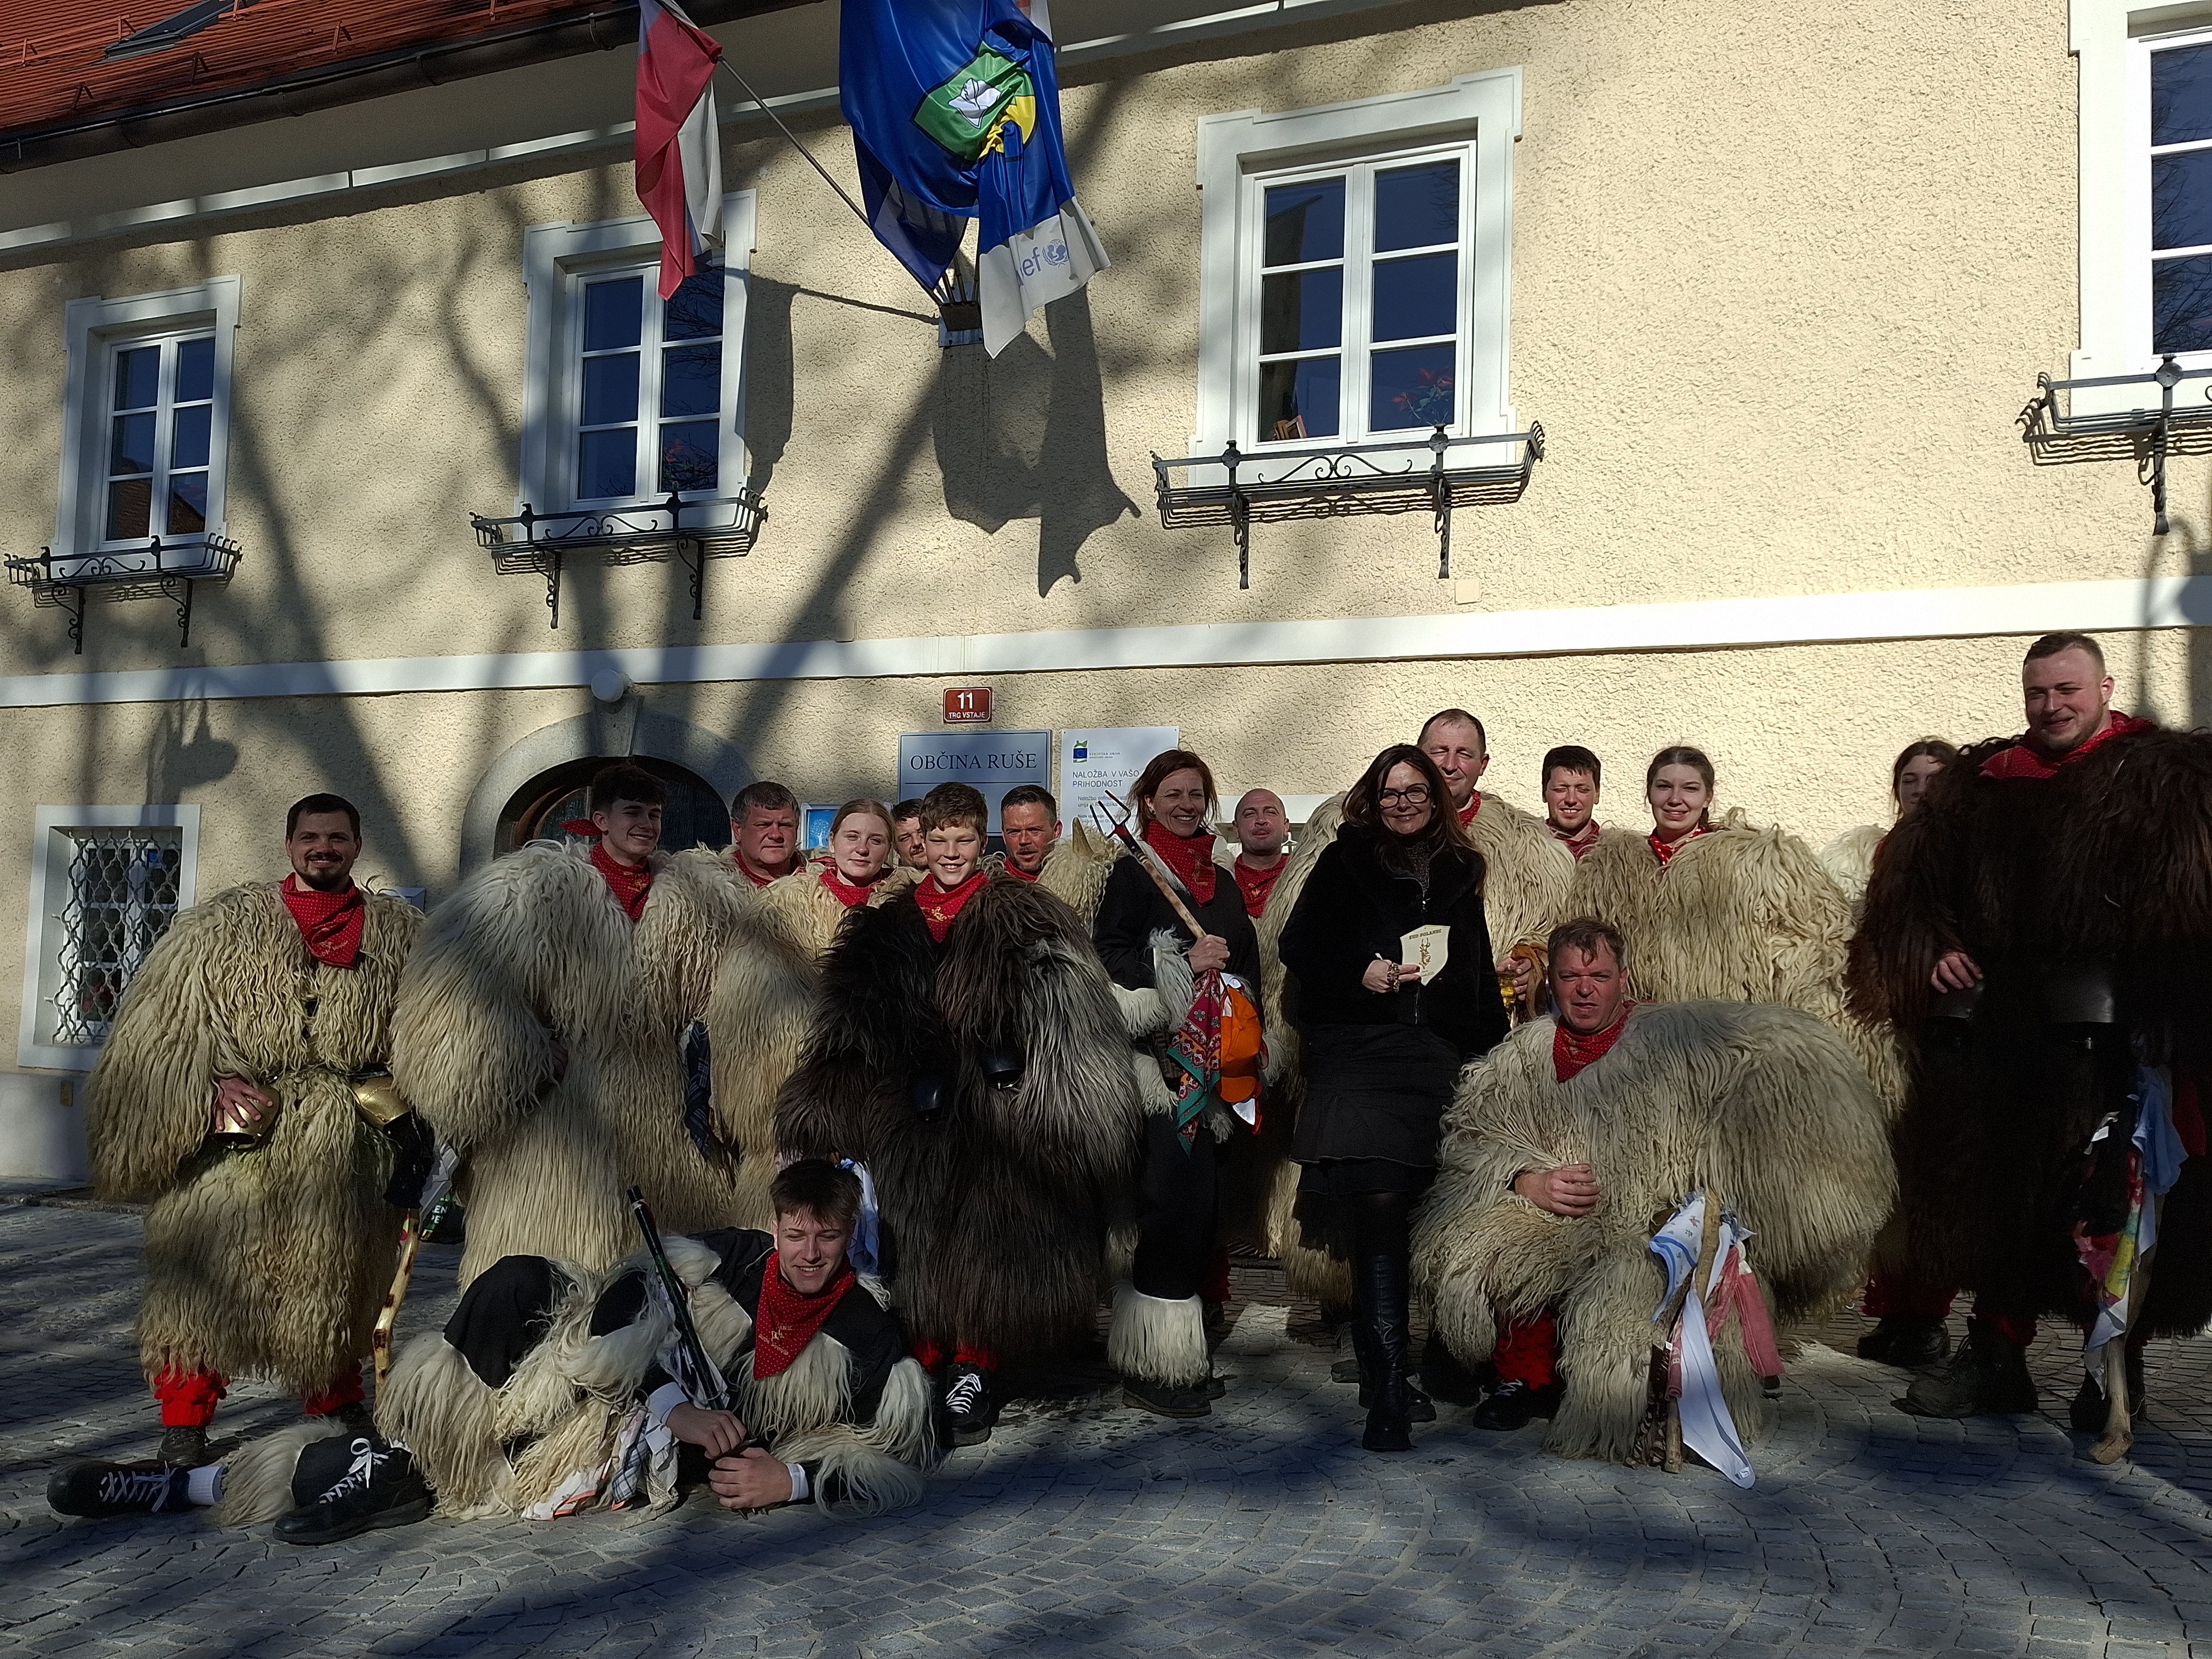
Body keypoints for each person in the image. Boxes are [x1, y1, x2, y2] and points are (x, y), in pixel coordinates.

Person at [52, 1162, 935, 1534]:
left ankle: (179, 1488)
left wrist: (794, 1480)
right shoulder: (733, 1255)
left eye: (826, 1236)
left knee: (389, 1474)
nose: (808, 1251)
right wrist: (677, 1400)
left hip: (635, 1451)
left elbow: (902, 1451)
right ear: (777, 1222)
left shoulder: (866, 1333)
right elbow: (624, 1297)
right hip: (626, 1386)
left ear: (848, 1233)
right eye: (796, 1231)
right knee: (515, 1280)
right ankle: (394, 1459)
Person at [1848, 633, 2212, 1426]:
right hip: (1997, 1050)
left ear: (2105, 687)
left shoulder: (2167, 779)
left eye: (2068, 691)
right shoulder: (1978, 787)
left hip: (2113, 1045)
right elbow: (1905, 893)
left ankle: (2113, 1366)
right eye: (2038, 693)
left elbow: (2195, 914)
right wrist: (1932, 947)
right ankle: (1995, 1356)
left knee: (2111, 1207)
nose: (2052, 707)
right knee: (1995, 1209)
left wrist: (2171, 1021)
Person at [1414, 920, 1895, 1464]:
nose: (1584, 989)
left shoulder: (1677, 1044)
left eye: (1598, 975)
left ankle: (1632, 1400)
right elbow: (1469, 1138)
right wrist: (1525, 1179)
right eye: (1570, 976)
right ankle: (1525, 1379)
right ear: (1552, 982)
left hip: (1649, 1223)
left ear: (1623, 977)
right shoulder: (1522, 1056)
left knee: (1625, 1291)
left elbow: (1766, 1056)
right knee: (1488, 1240)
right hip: (1557, 1215)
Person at [776, 783, 1144, 1445]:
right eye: (939, 841)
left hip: (1001, 1115)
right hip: (906, 1113)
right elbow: (846, 1027)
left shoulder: (1028, 914)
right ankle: (922, 1359)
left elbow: (1075, 1022)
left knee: (986, 1245)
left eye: (964, 841)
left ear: (984, 843)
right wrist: (823, 1109)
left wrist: (1060, 1108)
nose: (950, 853)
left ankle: (976, 1366)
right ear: (921, 846)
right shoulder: (887, 923)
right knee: (914, 1239)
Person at [78, 794, 428, 1468]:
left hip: (344, 1143)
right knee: (201, 1284)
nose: (322, 848)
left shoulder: (401, 935)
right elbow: (157, 1031)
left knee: (334, 1281)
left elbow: (434, 1028)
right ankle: (185, 1417)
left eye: (336, 837)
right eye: (309, 837)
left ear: (357, 845)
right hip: (235, 1142)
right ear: (288, 843)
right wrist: (204, 1087)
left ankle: (333, 1397)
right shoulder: (218, 929)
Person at [391, 763, 755, 1282]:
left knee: (665, 1265)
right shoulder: (532, 892)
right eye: (633, 813)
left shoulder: (699, 898)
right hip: (563, 1118)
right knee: (558, 1252)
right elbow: (458, 983)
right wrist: (531, 1051)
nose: (646, 825)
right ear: (600, 819)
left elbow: (728, 995)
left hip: (662, 1110)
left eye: (654, 814)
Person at [1277, 743, 1512, 1452]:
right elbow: (1298, 946)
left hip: (1432, 1057)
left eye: (1415, 792)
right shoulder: (1346, 860)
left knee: (1424, 1213)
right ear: (1370, 801)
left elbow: (1469, 967)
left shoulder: (1460, 868)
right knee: (1378, 1209)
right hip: (1360, 1051)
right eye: (1390, 793)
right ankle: (1386, 1391)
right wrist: (1363, 970)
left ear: (1435, 798)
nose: (1403, 803)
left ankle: (1432, 1363)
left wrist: (1498, 1058)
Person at [1091, 750, 1266, 1417]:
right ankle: (1153, 1366)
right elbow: (1106, 953)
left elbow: (1244, 965)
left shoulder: (1219, 882)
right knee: (1168, 1209)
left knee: (1202, 1215)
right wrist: (1179, 960)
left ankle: (1178, 1353)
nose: (1187, 804)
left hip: (1219, 1070)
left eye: (1196, 794)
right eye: (1173, 794)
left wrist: (1253, 1035)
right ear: (1148, 801)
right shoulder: (1135, 875)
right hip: (1163, 1072)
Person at [1566, 747, 1878, 1085]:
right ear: (1649, 793)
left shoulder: (1751, 863)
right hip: (1638, 1047)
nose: (1675, 799)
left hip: (1728, 1044)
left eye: (1690, 789)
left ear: (1707, 797)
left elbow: (1812, 943)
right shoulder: (1609, 869)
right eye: (1663, 787)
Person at [1819, 738, 1957, 908]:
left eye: (1934, 780)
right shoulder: (1861, 853)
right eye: (1909, 781)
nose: (1920, 789)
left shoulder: (1972, 850)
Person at [1230, 788, 1293, 917]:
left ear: (1286, 826)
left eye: (1270, 812)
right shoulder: (1217, 882)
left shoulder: (1306, 879)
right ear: (1236, 829)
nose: (1261, 820)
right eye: (1250, 814)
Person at [730, 780, 803, 888]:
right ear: (738, 830)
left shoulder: (824, 884)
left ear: (796, 829)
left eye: (785, 825)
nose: (776, 835)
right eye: (763, 825)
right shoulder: (708, 890)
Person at [1540, 745, 1603, 861]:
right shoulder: (1519, 855)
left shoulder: (1623, 860)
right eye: (1560, 789)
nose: (1571, 799)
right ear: (1544, 793)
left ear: (1597, 794)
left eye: (1582, 789)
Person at [996, 784, 1062, 881]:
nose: (1024, 840)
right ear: (1003, 834)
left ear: (1056, 831)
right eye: (1014, 832)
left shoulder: (1080, 887)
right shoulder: (984, 889)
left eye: (1034, 830)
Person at [892, 799, 928, 871]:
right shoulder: (888, 882)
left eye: (921, 832)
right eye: (906, 838)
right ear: (896, 849)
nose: (917, 843)